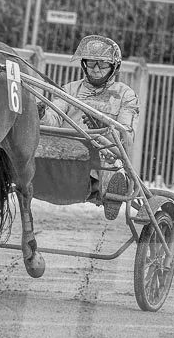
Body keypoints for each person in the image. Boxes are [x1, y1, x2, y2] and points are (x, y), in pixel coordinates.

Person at [46, 34, 141, 217]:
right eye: (91, 63)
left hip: (102, 156)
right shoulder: (70, 89)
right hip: (61, 154)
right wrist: (42, 113)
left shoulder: (125, 94)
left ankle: (111, 187)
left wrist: (104, 130)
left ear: (114, 67)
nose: (96, 69)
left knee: (103, 152)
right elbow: (53, 119)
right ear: (84, 64)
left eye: (103, 64)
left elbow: (126, 137)